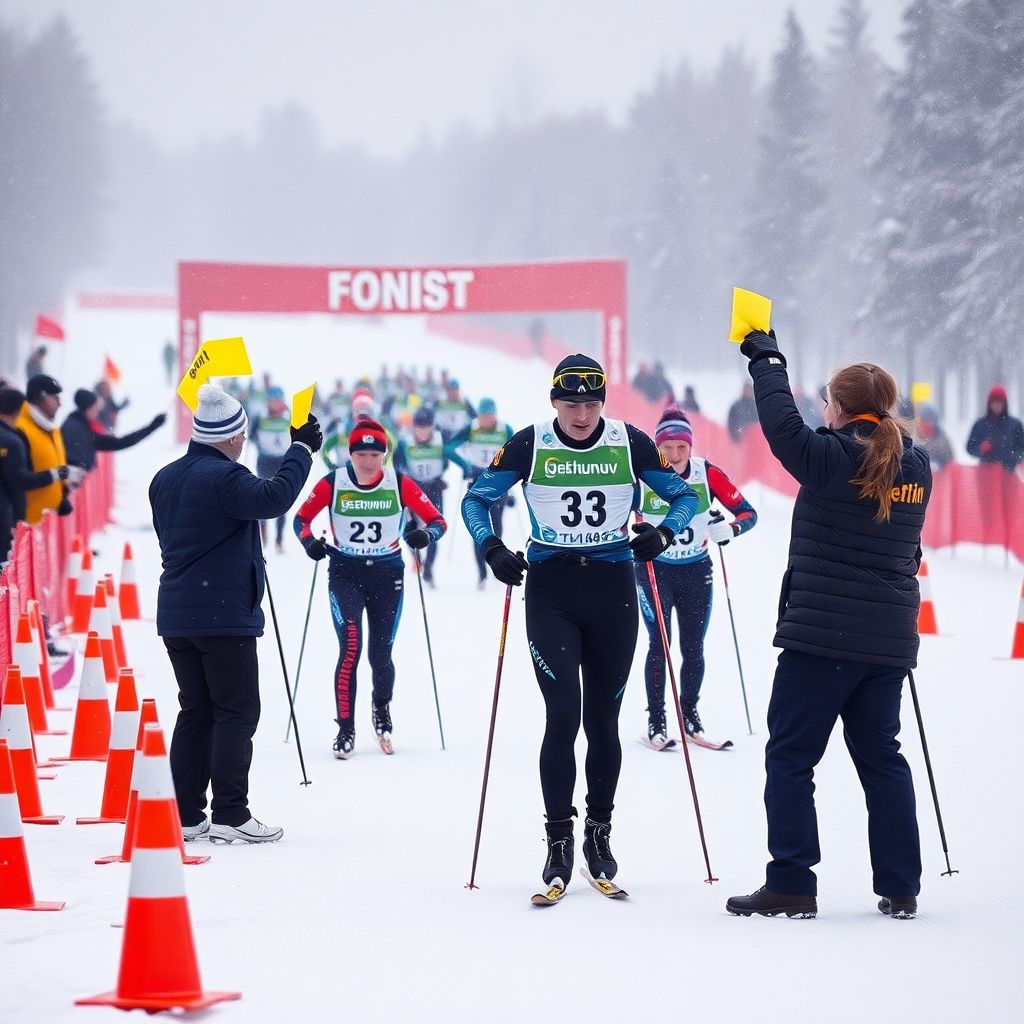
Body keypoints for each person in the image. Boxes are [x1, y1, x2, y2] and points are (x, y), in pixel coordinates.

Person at [462, 354, 698, 895]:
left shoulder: (629, 440)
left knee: (604, 721)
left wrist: (662, 534)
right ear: (554, 402)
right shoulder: (529, 442)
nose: (583, 414)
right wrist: (493, 547)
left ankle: (598, 833)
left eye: (592, 403)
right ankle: (558, 839)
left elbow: (684, 495)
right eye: (572, 404)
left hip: (613, 589)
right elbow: (477, 498)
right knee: (563, 711)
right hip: (552, 591)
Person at [726, 332, 930, 921]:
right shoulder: (914, 461)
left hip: (822, 638)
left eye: (827, 404)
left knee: (790, 758)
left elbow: (779, 424)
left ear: (840, 409)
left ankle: (791, 881)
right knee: (882, 758)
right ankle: (900, 885)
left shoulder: (833, 456)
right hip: (887, 641)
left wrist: (766, 361)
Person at [149, 383, 322, 844]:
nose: (244, 443)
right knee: (237, 711)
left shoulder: (164, 478)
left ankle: (185, 814)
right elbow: (274, 498)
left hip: (178, 614)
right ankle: (230, 812)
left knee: (197, 710)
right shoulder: (226, 478)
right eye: (241, 436)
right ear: (228, 437)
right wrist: (302, 448)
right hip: (222, 615)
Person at [293, 418, 446, 759]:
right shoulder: (334, 482)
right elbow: (300, 519)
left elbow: (438, 521)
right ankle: (345, 728)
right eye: (361, 453)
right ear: (350, 454)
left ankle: (381, 709)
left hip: (387, 575)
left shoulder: (399, 483)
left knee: (380, 654)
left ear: (385, 454)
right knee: (350, 646)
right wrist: (309, 544)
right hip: (345, 573)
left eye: (375, 453)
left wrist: (425, 536)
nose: (367, 460)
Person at [636, 408, 757, 745]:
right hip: (654, 570)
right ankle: (657, 720)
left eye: (681, 448)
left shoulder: (707, 474)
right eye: (667, 448)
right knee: (660, 643)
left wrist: (729, 529)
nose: (674, 456)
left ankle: (689, 713)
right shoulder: (643, 475)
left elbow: (749, 513)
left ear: (691, 447)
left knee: (694, 647)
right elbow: (617, 515)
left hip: (696, 570)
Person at [445, 397, 515, 588]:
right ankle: (481, 574)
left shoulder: (505, 429)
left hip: (498, 482)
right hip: (477, 480)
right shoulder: (471, 427)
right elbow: (449, 448)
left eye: (490, 416)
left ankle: (495, 564)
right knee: (479, 528)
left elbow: (516, 455)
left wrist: (514, 483)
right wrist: (465, 465)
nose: (487, 420)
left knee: (497, 527)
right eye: (484, 416)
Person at [0, 388, 74, 562]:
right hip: (11, 517)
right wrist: (55, 474)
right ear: (19, 410)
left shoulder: (45, 431)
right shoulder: (13, 440)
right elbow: (18, 480)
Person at [394, 406, 449, 586]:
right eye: (420, 428)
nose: (423, 432)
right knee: (408, 528)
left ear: (432, 427)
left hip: (434, 488)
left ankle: (429, 569)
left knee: (435, 527)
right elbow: (397, 466)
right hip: (413, 489)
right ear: (414, 427)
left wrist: (440, 477)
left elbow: (446, 461)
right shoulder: (405, 442)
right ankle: (416, 557)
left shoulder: (440, 441)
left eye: (427, 427)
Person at [61, 389, 165, 472]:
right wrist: (151, 427)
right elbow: (74, 462)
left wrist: (152, 427)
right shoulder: (77, 429)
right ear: (88, 407)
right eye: (95, 407)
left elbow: (119, 443)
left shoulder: (79, 425)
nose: (98, 412)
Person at [16, 375, 74, 523]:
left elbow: (54, 467)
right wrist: (58, 473)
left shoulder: (52, 431)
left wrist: (62, 497)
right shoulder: (20, 430)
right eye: (55, 398)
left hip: (46, 525)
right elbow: (19, 478)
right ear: (42, 397)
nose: (60, 403)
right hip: (26, 525)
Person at [249, 386, 293, 553]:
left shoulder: (289, 417)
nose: (276, 404)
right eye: (273, 400)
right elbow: (251, 436)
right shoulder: (261, 417)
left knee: (282, 498)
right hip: (265, 460)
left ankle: (279, 539)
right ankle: (263, 529)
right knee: (264, 496)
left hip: (282, 460)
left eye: (279, 400)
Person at [966, 385, 1024, 473]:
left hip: (1009, 475)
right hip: (985, 475)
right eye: (994, 401)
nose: (997, 405)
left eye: (1000, 402)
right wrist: (980, 449)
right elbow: (970, 447)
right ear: (989, 403)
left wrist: (1013, 458)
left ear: (1005, 404)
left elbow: (1022, 449)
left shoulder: (1015, 425)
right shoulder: (980, 424)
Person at [433, 378, 474, 443]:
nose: (452, 392)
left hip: (460, 436)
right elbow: (430, 417)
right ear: (447, 390)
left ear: (458, 390)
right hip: (443, 435)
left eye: (455, 390)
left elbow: (475, 418)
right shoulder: (439, 401)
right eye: (450, 390)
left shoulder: (465, 402)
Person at [915, 405, 954, 471]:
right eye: (922, 419)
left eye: (927, 420)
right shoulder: (914, 439)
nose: (924, 423)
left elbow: (946, 463)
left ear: (934, 423)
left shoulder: (942, 442)